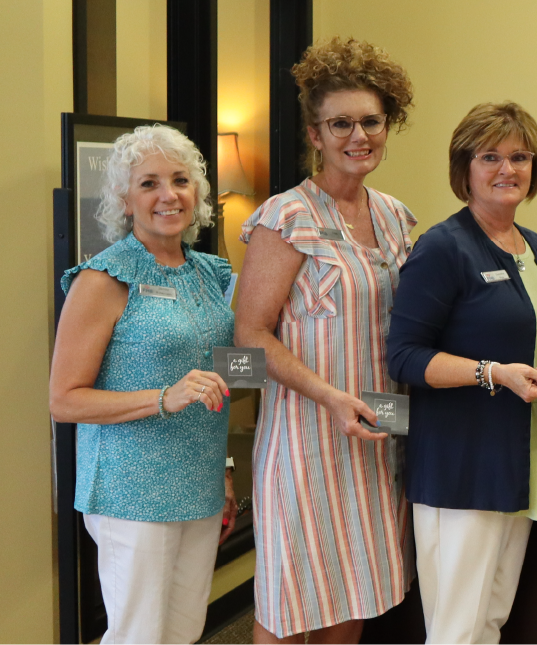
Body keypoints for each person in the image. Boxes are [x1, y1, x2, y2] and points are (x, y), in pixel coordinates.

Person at [233, 37, 417, 645]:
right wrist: (331, 396)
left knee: (354, 593)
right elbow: (250, 335)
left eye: (371, 121)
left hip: (375, 439)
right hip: (305, 439)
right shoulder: (285, 218)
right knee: (290, 600)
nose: (358, 135)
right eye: (340, 123)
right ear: (315, 134)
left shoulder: (397, 217)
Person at [386, 102, 537, 644]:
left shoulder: (535, 247)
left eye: (520, 156)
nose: (507, 169)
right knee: (457, 630)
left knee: (490, 618)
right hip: (463, 468)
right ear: (464, 167)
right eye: (490, 156)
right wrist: (493, 373)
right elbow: (406, 356)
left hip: (523, 461)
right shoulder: (443, 248)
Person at [49, 124, 237, 645]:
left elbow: (221, 376)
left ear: (196, 194)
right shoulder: (103, 279)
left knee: (183, 632)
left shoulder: (211, 274)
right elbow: (64, 400)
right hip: (131, 492)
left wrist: (223, 471)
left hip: (198, 484)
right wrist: (163, 397)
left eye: (180, 180)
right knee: (138, 636)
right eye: (149, 183)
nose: (168, 195)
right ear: (124, 200)